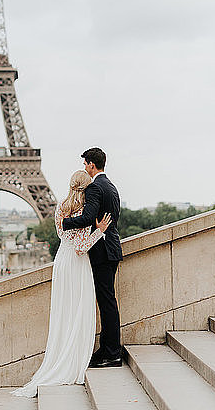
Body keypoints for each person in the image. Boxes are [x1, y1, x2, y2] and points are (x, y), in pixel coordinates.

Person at [12, 170, 112, 398]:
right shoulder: (84, 211)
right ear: (87, 188)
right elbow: (80, 247)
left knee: (64, 311)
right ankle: (74, 359)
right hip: (77, 263)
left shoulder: (61, 208)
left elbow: (63, 237)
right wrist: (99, 232)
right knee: (78, 310)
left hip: (62, 262)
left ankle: (60, 357)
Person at [62, 147, 123, 368]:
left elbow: (88, 217)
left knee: (106, 303)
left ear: (90, 164)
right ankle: (107, 350)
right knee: (108, 302)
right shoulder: (111, 186)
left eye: (85, 164)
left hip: (102, 251)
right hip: (112, 248)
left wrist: (65, 223)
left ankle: (112, 353)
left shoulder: (95, 187)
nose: (84, 169)